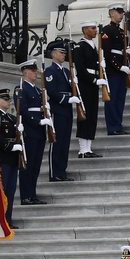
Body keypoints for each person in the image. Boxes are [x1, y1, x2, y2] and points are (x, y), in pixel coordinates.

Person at [16, 59, 53, 205]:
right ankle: (25, 195)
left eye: (35, 70)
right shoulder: (21, 88)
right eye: (32, 70)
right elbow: (23, 110)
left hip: (39, 131)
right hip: (30, 130)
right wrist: (37, 121)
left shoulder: (38, 90)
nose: (35, 73)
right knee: (28, 164)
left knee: (36, 164)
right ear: (25, 72)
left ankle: (32, 194)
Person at [44, 40, 80, 182]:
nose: (64, 55)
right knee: (57, 142)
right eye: (61, 52)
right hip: (57, 109)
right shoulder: (49, 71)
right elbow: (52, 92)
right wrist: (66, 99)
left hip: (67, 110)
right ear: (53, 54)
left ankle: (62, 171)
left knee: (65, 142)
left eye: (65, 53)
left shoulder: (66, 71)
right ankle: (54, 173)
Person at [73, 21, 107, 159]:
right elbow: (80, 69)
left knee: (92, 115)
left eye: (95, 28)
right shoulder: (80, 46)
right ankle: (82, 149)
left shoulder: (94, 46)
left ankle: (88, 148)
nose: (95, 31)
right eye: (92, 28)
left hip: (93, 84)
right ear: (84, 30)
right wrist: (94, 79)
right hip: (85, 84)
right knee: (85, 115)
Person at [0, 88, 23, 228]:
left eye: (8, 99)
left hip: (12, 158)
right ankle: (1, 221)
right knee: (3, 190)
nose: (8, 102)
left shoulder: (11, 117)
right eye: (5, 100)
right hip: (3, 158)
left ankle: (7, 220)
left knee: (10, 191)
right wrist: (9, 146)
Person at [101, 3, 130, 136]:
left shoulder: (121, 31)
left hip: (122, 70)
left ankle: (118, 124)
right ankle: (112, 126)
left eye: (122, 12)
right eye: (119, 12)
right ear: (111, 13)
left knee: (120, 99)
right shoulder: (107, 30)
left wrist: (128, 53)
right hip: (113, 70)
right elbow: (107, 53)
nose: (121, 15)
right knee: (112, 99)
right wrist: (119, 67)